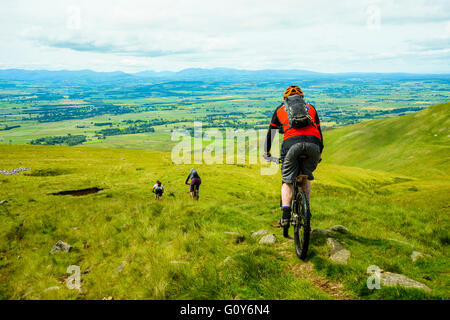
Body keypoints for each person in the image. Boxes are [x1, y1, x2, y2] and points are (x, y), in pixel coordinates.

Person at [264, 85, 324, 238]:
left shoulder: (280, 109)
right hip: (313, 145)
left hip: (291, 145)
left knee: (287, 181)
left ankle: (285, 216)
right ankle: (306, 212)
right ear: (301, 97)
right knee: (306, 176)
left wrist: (267, 152)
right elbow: (319, 133)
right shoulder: (311, 108)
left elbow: (271, 134)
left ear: (286, 98)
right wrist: (319, 153)